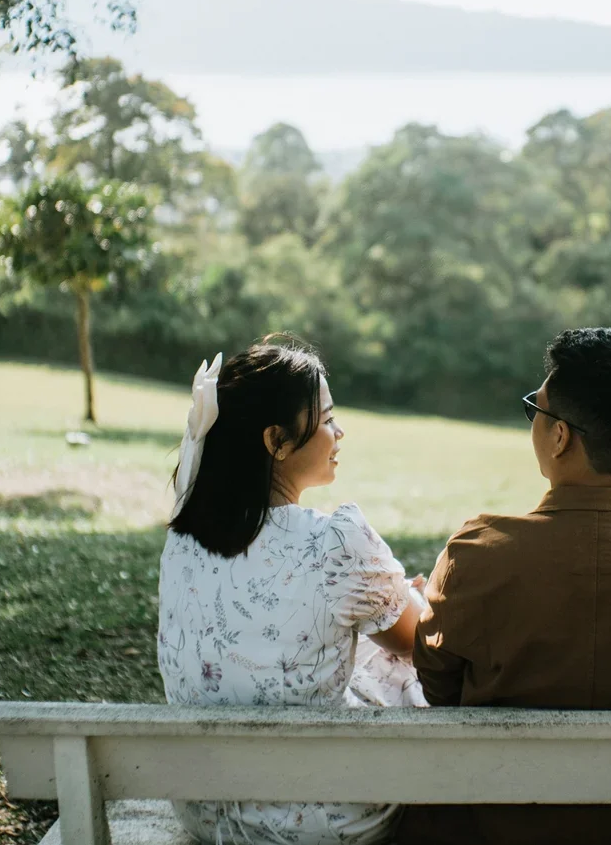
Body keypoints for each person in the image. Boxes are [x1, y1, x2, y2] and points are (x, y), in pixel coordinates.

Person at [397, 327, 611, 845]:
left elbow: (440, 687)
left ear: (560, 436)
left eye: (534, 410)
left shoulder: (474, 553)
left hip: (497, 827)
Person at [157, 338, 426, 845]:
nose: (339, 432)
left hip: (205, 810)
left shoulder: (183, 530)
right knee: (403, 669)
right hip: (323, 816)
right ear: (277, 441)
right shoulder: (334, 542)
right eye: (326, 420)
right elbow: (421, 642)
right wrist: (409, 596)